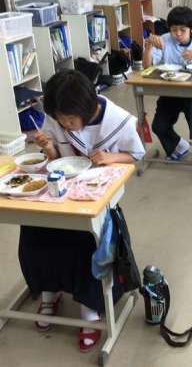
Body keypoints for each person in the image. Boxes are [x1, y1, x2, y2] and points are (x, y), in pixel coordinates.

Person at [19, 70, 144, 352]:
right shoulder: (58, 117)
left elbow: (136, 154)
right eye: (60, 119)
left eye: (69, 119)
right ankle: (49, 291)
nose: (65, 125)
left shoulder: (118, 120)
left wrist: (111, 156)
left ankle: (90, 307)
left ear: (87, 106)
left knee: (85, 237)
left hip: (96, 197)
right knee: (34, 228)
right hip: (61, 192)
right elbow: (55, 161)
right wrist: (49, 147)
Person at [143, 6, 192, 175]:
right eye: (174, 30)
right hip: (170, 92)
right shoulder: (164, 40)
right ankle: (181, 146)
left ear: (191, 29)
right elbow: (147, 68)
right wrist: (149, 47)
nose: (178, 34)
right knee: (158, 126)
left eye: (182, 30)